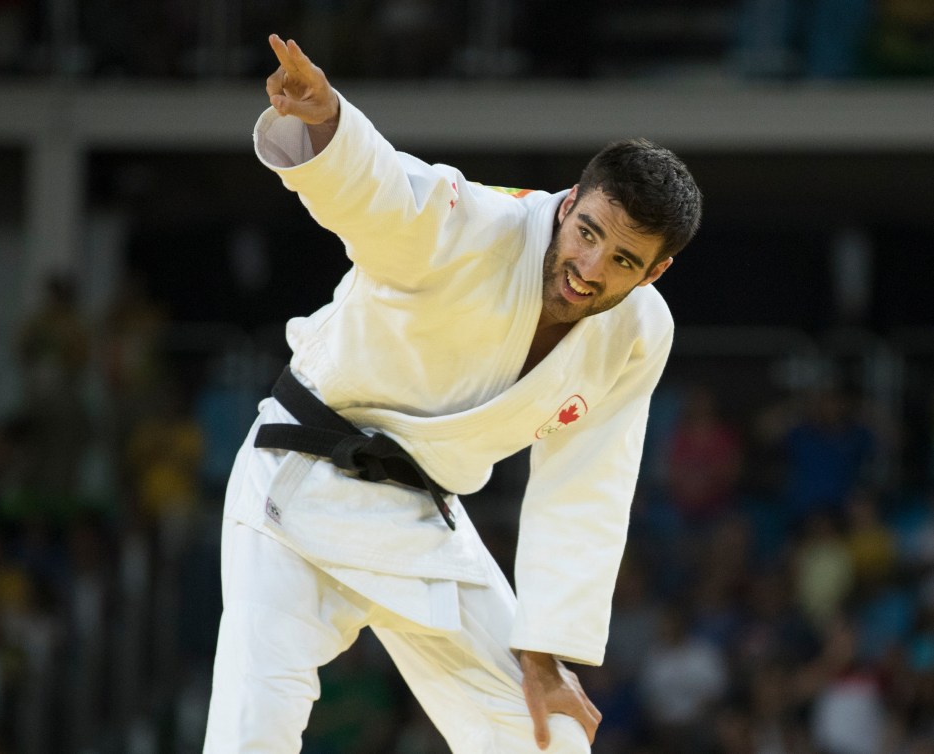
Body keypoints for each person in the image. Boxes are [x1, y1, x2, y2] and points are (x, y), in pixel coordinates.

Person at [203, 34, 703, 753]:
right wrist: (326, 121)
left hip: (418, 516)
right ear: (567, 206)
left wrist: (543, 653)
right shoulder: (473, 224)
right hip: (296, 484)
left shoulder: (637, 332)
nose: (589, 269)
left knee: (550, 736)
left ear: (654, 273)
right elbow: (383, 196)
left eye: (622, 260)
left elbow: (587, 486)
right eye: (587, 232)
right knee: (255, 732)